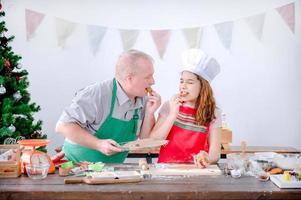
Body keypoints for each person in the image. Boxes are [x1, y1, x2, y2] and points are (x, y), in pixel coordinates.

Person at [55, 49, 161, 163]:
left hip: (112, 170)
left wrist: (150, 113)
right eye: (148, 77)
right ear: (129, 78)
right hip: (77, 167)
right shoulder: (97, 94)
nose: (153, 81)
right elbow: (63, 126)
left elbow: (145, 140)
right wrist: (98, 144)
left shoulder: (143, 97)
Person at [149, 49, 221, 168]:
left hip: (196, 170)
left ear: (203, 87)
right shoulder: (169, 105)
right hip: (167, 169)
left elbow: (215, 153)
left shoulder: (214, 112)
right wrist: (173, 114)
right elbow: (153, 142)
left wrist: (207, 157)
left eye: (190, 82)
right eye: (181, 81)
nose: (183, 86)